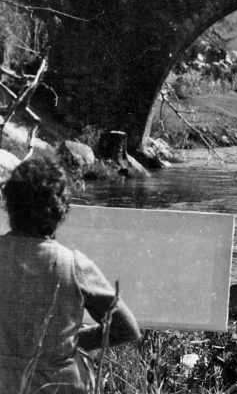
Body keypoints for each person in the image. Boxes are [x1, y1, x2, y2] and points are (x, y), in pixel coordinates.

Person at [0, 157, 140, 393]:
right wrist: (74, 341)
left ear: (10, 206)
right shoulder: (73, 264)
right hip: (58, 385)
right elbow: (127, 330)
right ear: (60, 212)